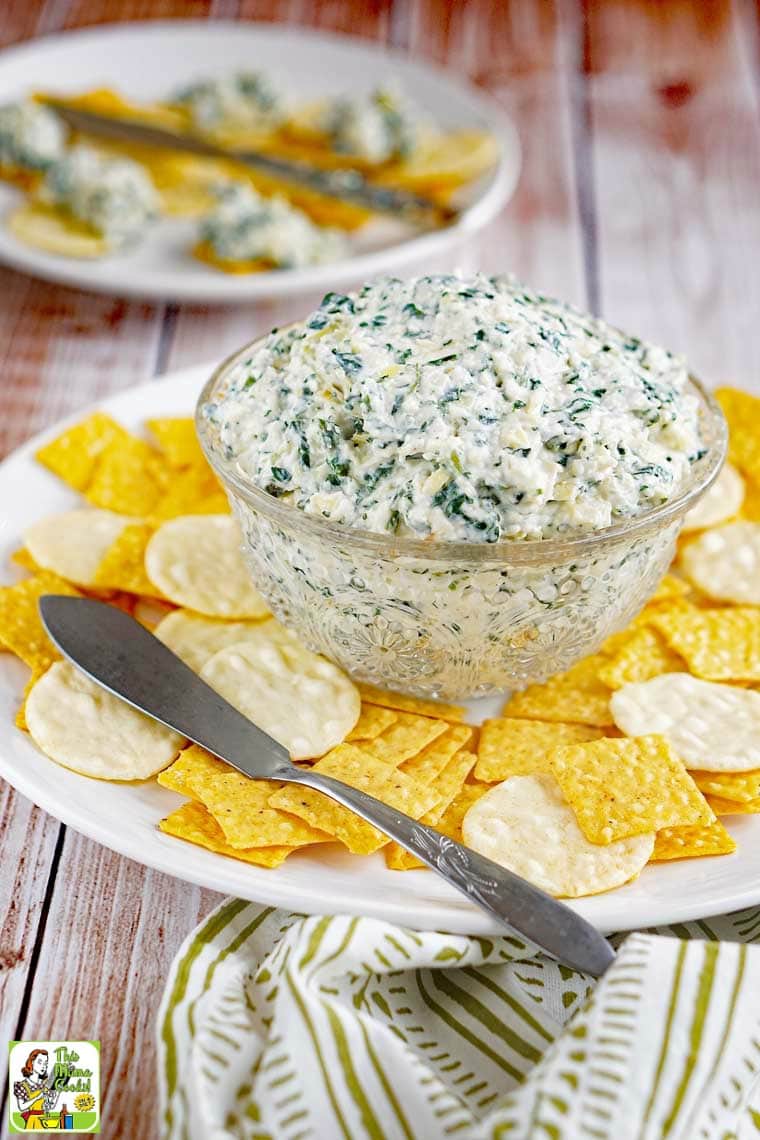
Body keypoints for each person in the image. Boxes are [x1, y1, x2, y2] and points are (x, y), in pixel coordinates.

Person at [12, 1049, 59, 1130]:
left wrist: (57, 1092)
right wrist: (38, 1097)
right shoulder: (21, 1086)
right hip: (32, 1121)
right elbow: (22, 1107)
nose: (43, 1066)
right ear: (32, 1062)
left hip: (44, 1121)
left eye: (45, 1064)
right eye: (40, 1062)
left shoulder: (45, 1084)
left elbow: (51, 1106)